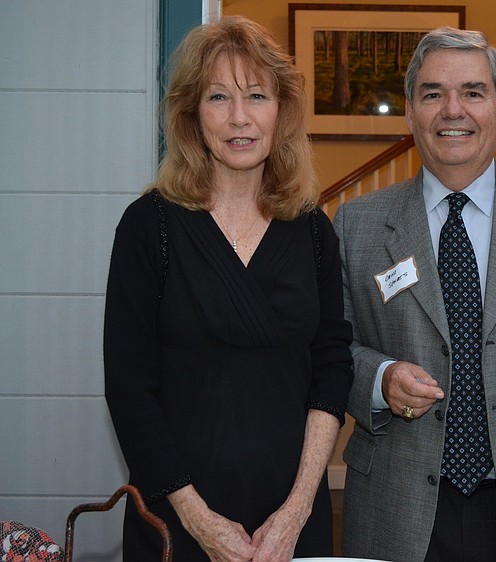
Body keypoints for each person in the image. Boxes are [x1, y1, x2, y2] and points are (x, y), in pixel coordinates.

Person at [333, 27, 496, 562]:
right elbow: (331, 350)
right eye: (433, 94)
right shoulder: (356, 224)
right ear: (410, 112)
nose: (453, 110)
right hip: (396, 506)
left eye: (473, 92)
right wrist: (380, 379)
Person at [103, 16, 353, 561]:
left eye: (257, 96)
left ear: (281, 111)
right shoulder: (149, 227)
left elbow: (332, 369)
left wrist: (298, 508)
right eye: (219, 97)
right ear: (192, 114)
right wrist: (197, 519)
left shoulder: (312, 228)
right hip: (175, 518)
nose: (240, 117)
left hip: (289, 522)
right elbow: (128, 389)